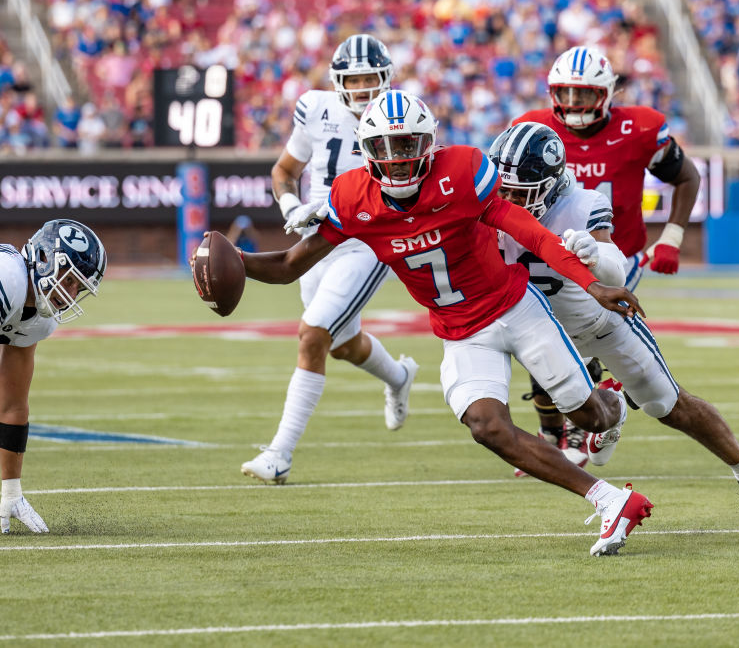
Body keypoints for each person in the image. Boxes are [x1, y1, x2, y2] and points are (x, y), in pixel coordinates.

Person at [231, 90, 655, 556]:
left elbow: (528, 230)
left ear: (429, 143)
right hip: (461, 331)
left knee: (586, 414)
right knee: (486, 426)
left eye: (409, 145)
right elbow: (290, 264)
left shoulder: (461, 171)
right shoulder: (352, 199)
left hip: (516, 307)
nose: (397, 160)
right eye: (386, 148)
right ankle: (609, 499)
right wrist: (234, 260)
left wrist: (592, 285)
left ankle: (610, 405)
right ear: (366, 150)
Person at [490, 122, 739, 530]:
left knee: (669, 405)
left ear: (550, 182)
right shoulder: (484, 204)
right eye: (502, 188)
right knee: (586, 419)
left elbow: (615, 268)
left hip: (600, 322)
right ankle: (612, 410)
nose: (506, 199)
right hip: (546, 334)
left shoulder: (581, 204)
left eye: (518, 191)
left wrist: (594, 254)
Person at [239, 35, 419, 486]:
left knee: (313, 335)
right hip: (312, 238)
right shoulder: (315, 108)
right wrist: (290, 209)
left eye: (368, 80)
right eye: (352, 80)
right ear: (338, 81)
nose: (360, 89)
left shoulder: (402, 117)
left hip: (365, 239)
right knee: (340, 345)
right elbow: (284, 171)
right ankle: (398, 376)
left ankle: (279, 454)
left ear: (386, 80)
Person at [510, 46, 703, 464]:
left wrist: (670, 235)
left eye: (584, 94)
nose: (575, 103)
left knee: (572, 337)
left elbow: (687, 175)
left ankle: (584, 428)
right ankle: (554, 433)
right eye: (567, 93)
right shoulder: (531, 128)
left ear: (607, 93)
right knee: (538, 336)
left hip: (616, 254)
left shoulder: (639, 128)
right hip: (542, 251)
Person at [0, 219, 107, 533]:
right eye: (68, 279)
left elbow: (13, 405)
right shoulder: (4, 277)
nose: (70, 293)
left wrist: (11, 490)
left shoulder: (39, 318)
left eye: (79, 286)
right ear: (43, 259)